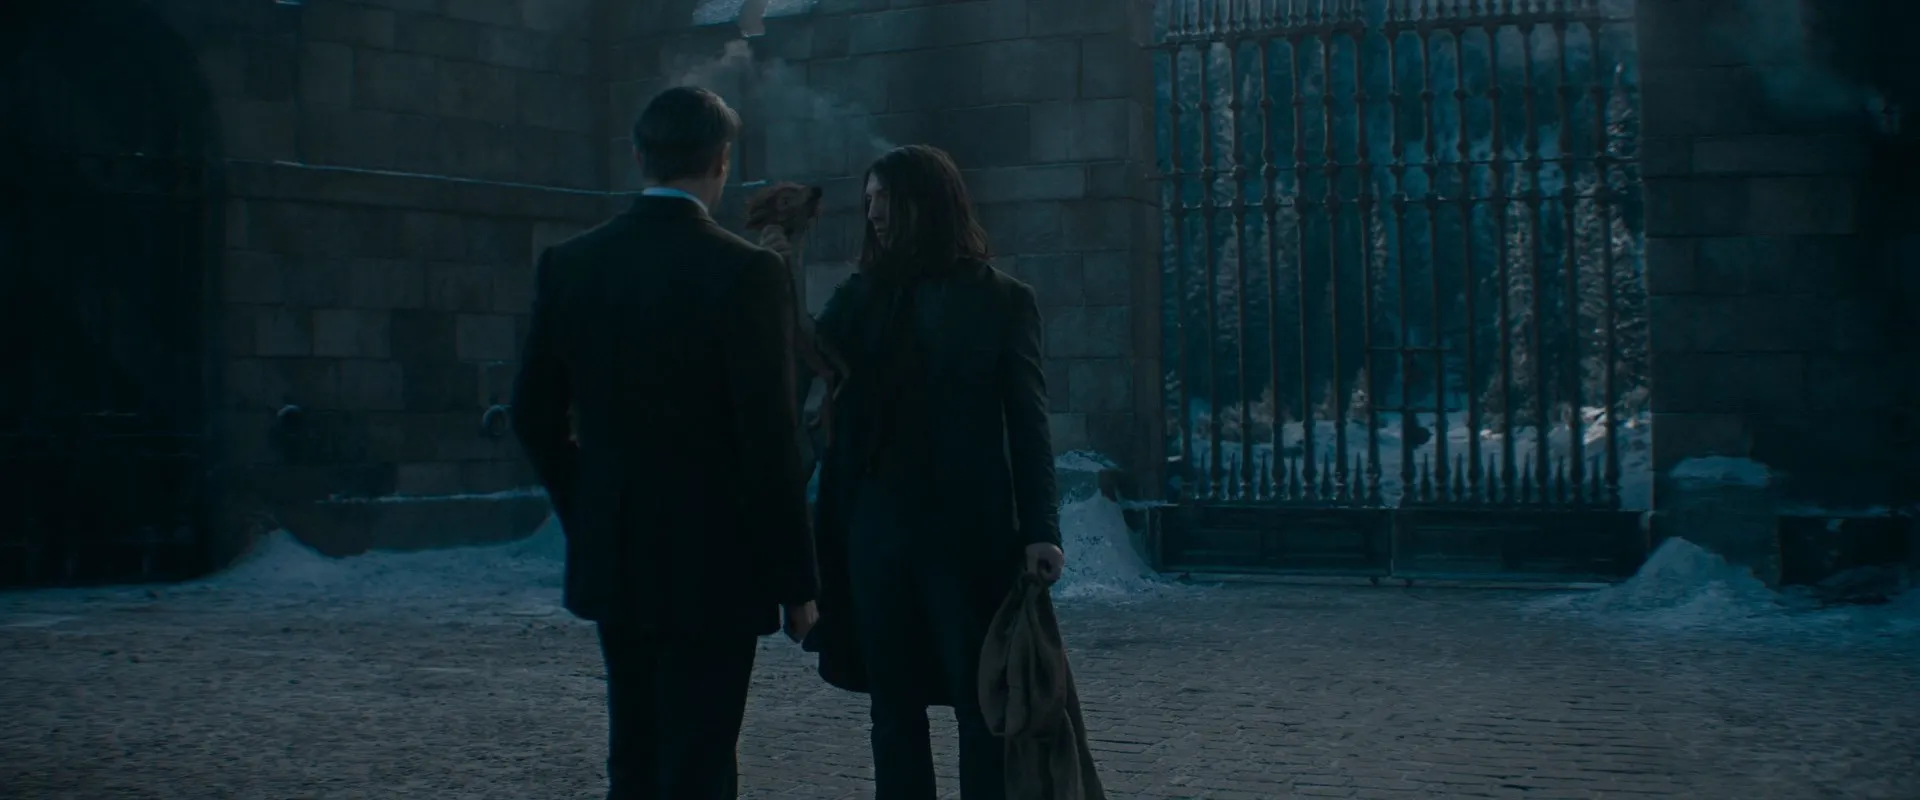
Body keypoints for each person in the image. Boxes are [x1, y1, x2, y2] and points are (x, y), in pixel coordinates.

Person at [509, 85, 819, 800]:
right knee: (701, 759)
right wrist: (797, 584)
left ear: (638, 155)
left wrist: (590, 507)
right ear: (721, 161)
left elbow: (532, 415)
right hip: (718, 562)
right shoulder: (746, 271)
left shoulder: (571, 264)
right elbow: (768, 440)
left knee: (635, 755)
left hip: (618, 552)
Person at [767, 144, 1067, 800]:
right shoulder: (861, 298)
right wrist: (783, 272)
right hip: (876, 536)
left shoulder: (1001, 301)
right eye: (868, 199)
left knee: (981, 705)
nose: (873, 213)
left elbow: (1028, 425)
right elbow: (805, 364)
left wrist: (1042, 529)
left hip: (970, 537)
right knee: (893, 710)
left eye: (886, 199)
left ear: (926, 203)